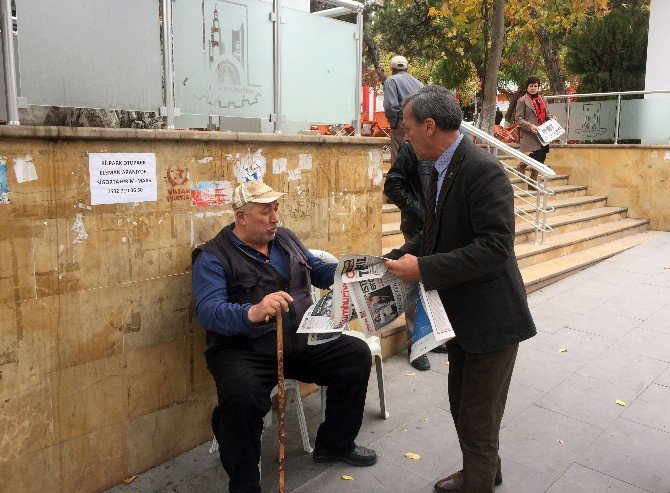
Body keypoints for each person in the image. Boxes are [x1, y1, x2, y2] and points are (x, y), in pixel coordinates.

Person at [383, 86, 536, 492]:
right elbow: (433, 231)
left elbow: (496, 246)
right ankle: (486, 471)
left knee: (477, 418)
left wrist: (424, 269)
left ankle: (478, 482)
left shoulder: (482, 170)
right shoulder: (440, 167)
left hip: (493, 319)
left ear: (430, 126)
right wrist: (401, 256)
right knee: (462, 406)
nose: (406, 136)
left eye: (409, 128)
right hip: (460, 317)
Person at [192, 180, 377, 493]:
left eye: (276, 209)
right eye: (266, 212)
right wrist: (253, 311)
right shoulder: (212, 256)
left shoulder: (285, 238)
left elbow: (316, 268)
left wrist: (354, 276)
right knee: (242, 396)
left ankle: (334, 443)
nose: (275, 218)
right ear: (241, 217)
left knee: (355, 356)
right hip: (243, 350)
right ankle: (245, 483)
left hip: (299, 340)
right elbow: (208, 311)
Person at [384, 142, 447, 371]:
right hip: (418, 227)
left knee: (435, 281)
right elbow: (393, 185)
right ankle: (415, 343)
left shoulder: (449, 148)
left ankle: (433, 336)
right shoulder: (412, 149)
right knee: (414, 282)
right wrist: (423, 214)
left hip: (441, 227)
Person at [383, 55, 423, 165]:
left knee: (398, 159)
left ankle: (398, 182)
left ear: (392, 69)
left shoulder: (391, 80)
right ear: (407, 68)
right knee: (416, 158)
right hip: (419, 124)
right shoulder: (419, 83)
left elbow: (390, 106)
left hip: (402, 123)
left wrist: (393, 124)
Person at [515, 76, 555, 185]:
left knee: (543, 156)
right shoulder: (522, 100)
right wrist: (530, 126)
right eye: (531, 86)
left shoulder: (542, 99)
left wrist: (551, 117)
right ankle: (529, 174)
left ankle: (531, 177)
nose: (533, 88)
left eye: (535, 86)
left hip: (544, 132)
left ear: (538, 87)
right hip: (530, 133)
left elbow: (547, 114)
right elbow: (518, 119)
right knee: (537, 154)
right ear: (527, 87)